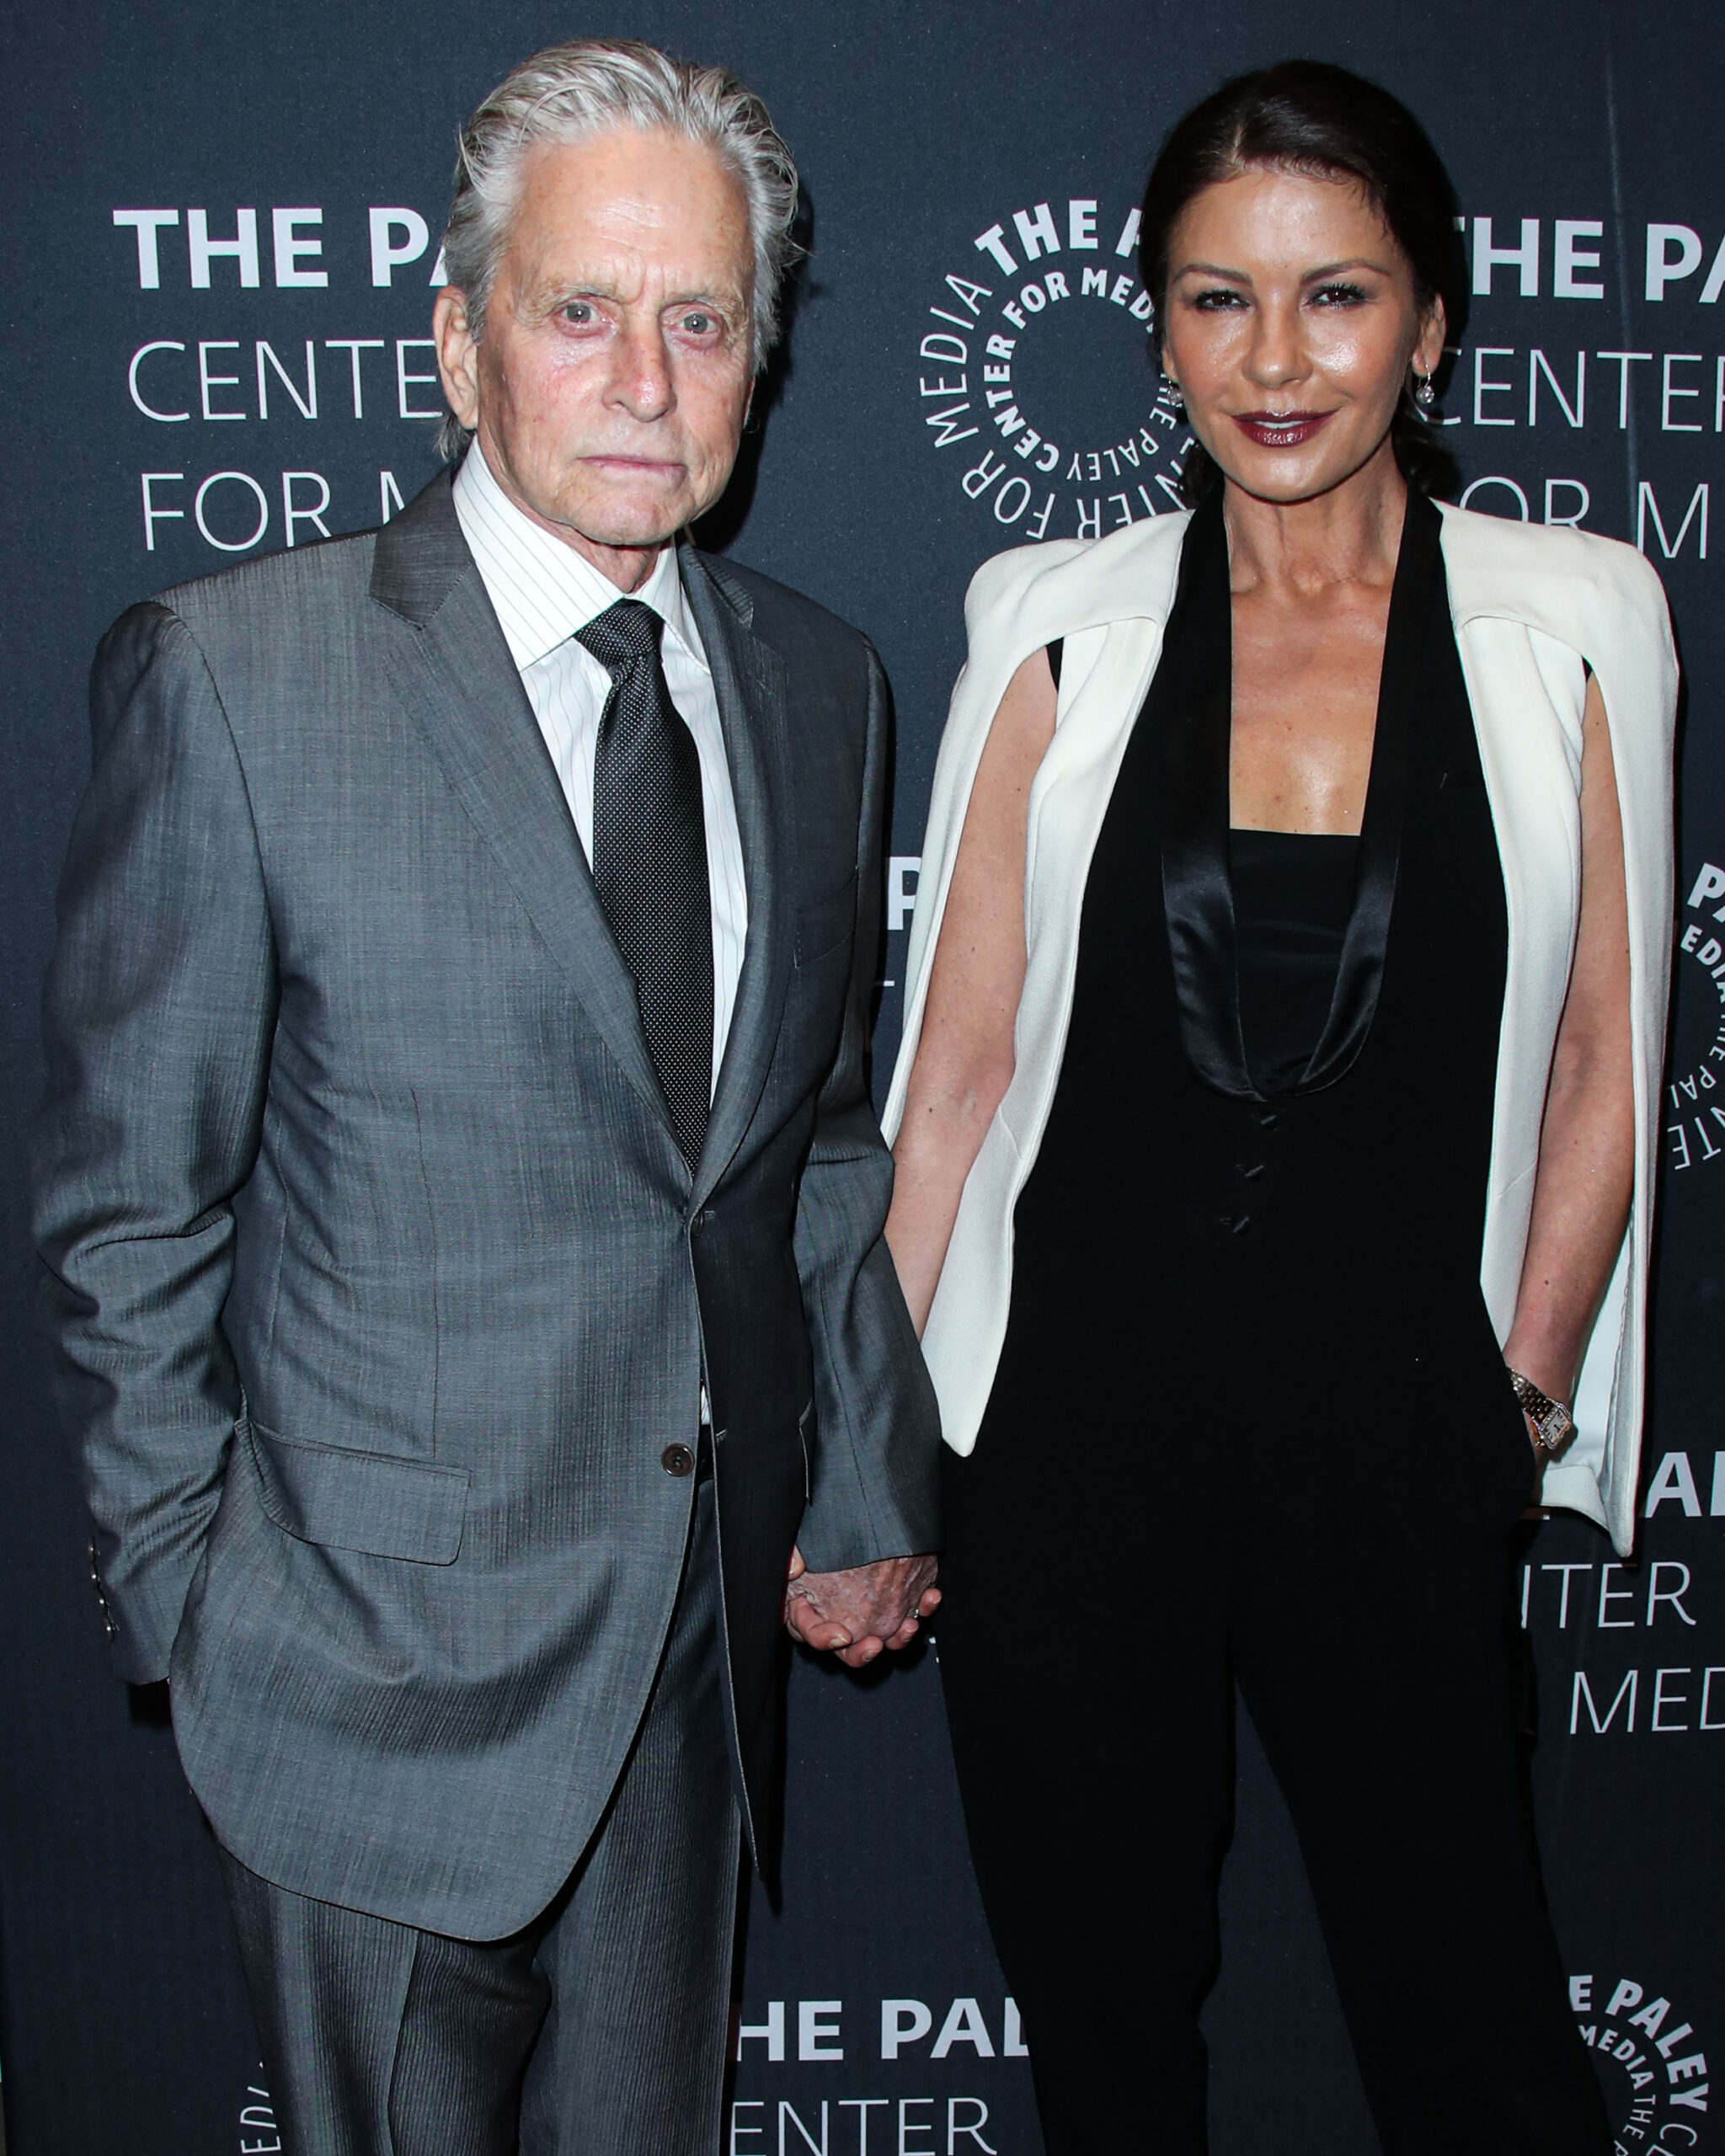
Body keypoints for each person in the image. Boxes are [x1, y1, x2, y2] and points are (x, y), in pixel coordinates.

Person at [34, 38, 941, 2156]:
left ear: (758, 363)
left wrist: (860, 1476)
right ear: (460, 344)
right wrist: (198, 1603)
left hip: (693, 1663)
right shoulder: (235, 675)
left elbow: (812, 1141)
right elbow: (126, 1201)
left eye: (700, 321)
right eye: (578, 310)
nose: (643, 380)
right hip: (358, 1682)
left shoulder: (821, 685)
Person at [884, 59, 1674, 2156]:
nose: (1275, 359)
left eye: (1336, 295)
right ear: (1157, 330)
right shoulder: (1050, 618)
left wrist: (1515, 1402)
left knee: (1477, 2042)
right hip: (1063, 1448)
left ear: (1430, 323)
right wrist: (868, 1444)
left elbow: (1603, 1054)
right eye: (1216, 299)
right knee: (1106, 2044)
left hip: (1401, 1445)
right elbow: (954, 1071)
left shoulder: (1575, 617)